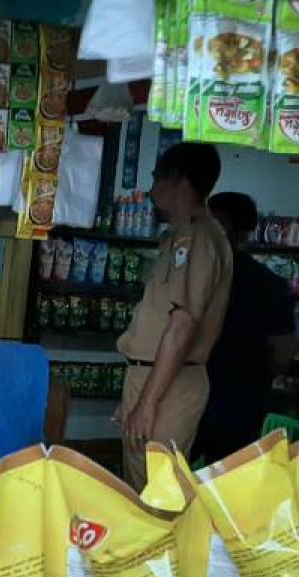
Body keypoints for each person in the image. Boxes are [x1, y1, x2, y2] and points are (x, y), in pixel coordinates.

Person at [117, 142, 232, 489]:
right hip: (156, 379)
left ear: (178, 181)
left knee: (154, 493)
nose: (151, 189)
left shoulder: (197, 238)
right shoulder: (183, 236)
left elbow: (183, 326)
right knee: (142, 484)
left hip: (169, 384)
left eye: (156, 178)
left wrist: (146, 404)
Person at [192, 192, 297, 463]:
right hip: (243, 400)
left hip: (200, 395)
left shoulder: (198, 277)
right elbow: (284, 350)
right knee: (229, 484)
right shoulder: (271, 284)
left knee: (172, 479)